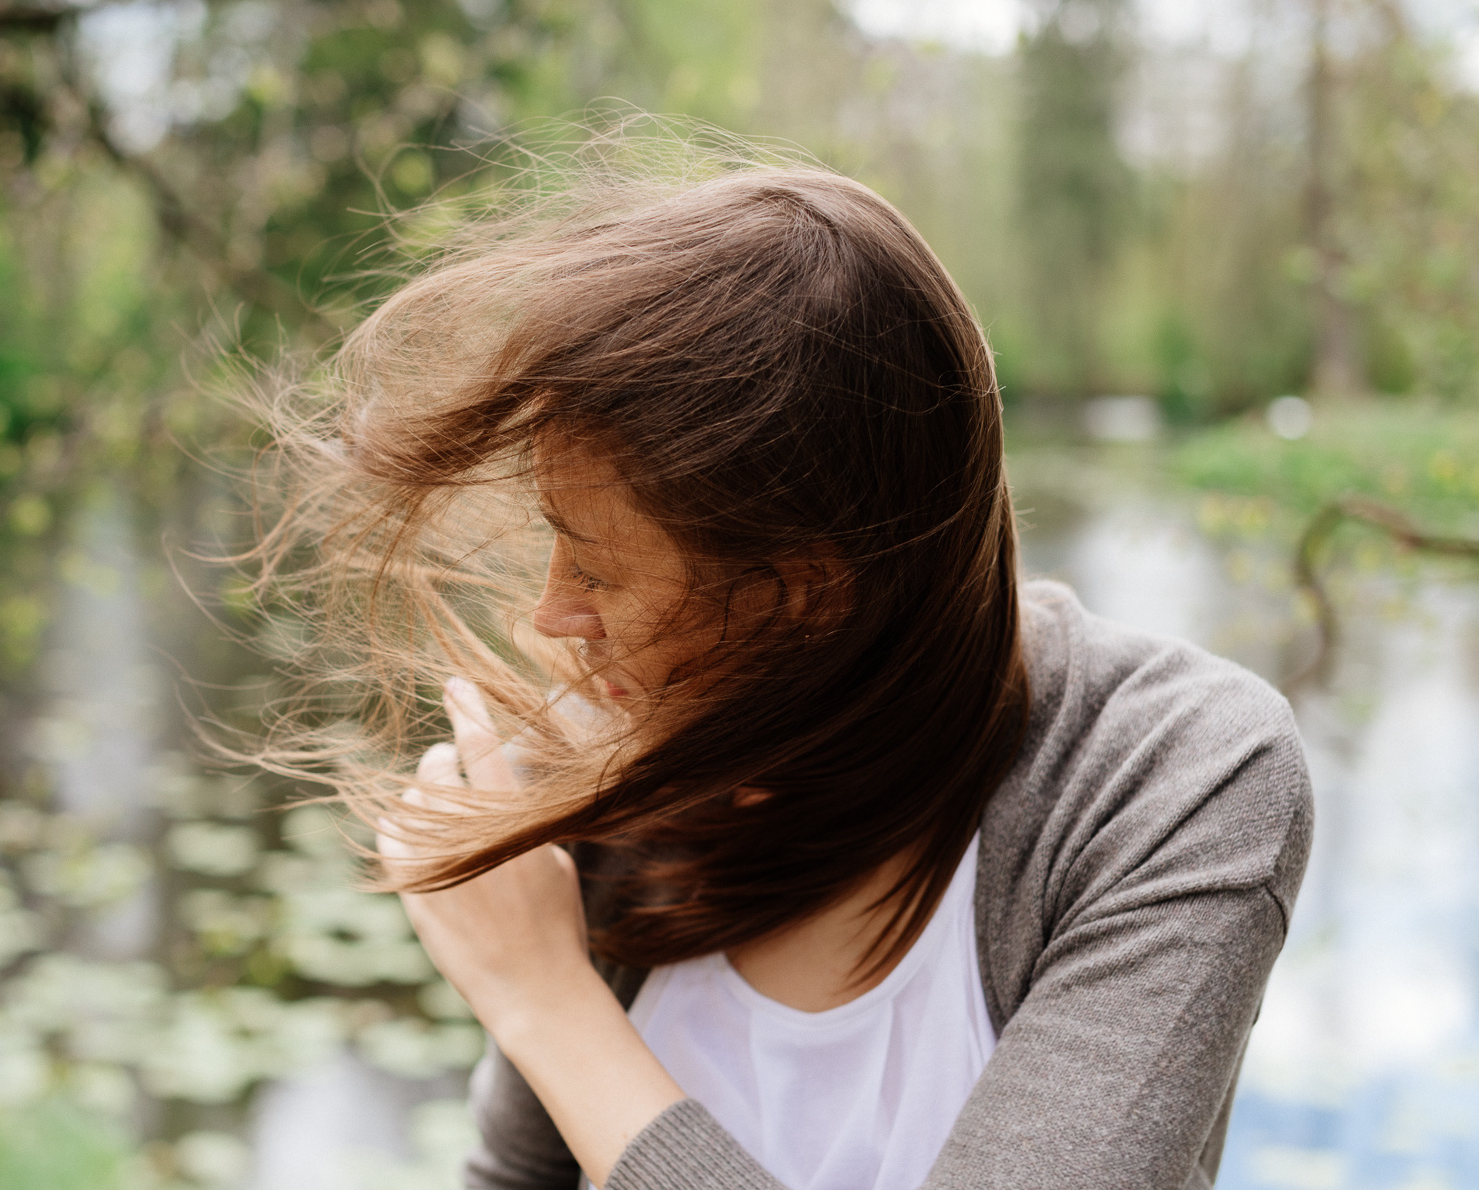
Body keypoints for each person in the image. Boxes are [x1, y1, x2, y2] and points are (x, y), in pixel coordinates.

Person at [253, 151, 1313, 1190]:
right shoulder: (638, 754)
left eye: (598, 569)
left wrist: (543, 1000)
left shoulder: (1177, 785)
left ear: (801, 598)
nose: (551, 615)